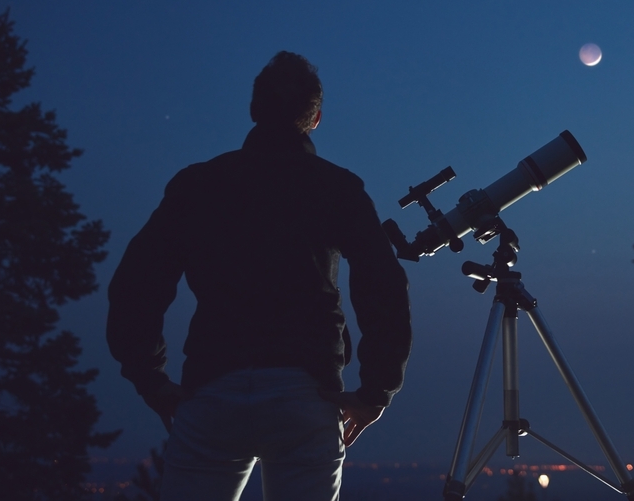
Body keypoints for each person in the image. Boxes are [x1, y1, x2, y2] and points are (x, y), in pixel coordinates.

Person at [106, 52, 412, 501]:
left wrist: (151, 380)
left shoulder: (198, 185)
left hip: (211, 393)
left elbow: (137, 284)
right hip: (307, 397)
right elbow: (382, 285)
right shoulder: (336, 187)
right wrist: (375, 390)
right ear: (316, 118)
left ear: (253, 110)